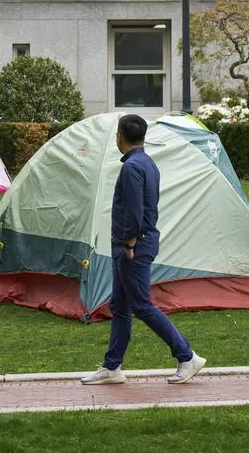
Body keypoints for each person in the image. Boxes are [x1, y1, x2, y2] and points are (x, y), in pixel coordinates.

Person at [80, 114, 206, 386]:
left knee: (141, 304)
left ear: (120, 136)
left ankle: (187, 356)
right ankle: (112, 367)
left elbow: (135, 211)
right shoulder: (148, 163)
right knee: (120, 305)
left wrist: (129, 244)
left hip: (133, 246)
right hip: (133, 244)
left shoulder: (132, 168)